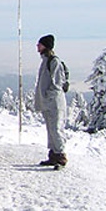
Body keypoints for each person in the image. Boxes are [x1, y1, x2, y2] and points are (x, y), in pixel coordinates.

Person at [34, 34, 68, 167]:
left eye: (40, 44)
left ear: (45, 46)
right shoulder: (46, 61)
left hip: (54, 103)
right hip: (48, 103)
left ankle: (61, 155)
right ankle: (53, 154)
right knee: (50, 129)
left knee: (56, 128)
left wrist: (48, 96)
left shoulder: (54, 62)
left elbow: (58, 83)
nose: (37, 46)